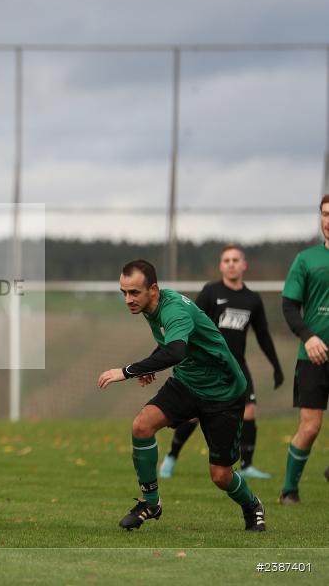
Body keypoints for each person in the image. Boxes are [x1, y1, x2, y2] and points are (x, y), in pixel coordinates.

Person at [97, 259, 265, 532]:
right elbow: (172, 342)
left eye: (134, 292)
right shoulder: (151, 306)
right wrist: (152, 364)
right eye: (123, 292)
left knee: (221, 475)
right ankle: (151, 503)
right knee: (142, 426)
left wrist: (126, 371)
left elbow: (176, 351)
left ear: (153, 289)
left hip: (222, 391)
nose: (128, 299)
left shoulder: (174, 309)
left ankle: (252, 505)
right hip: (187, 383)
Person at [159, 244, 283, 480]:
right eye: (227, 260)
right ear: (221, 266)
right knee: (195, 414)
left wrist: (276, 366)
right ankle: (172, 456)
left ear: (244, 265)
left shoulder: (252, 299)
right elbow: (188, 321)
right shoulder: (211, 292)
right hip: (209, 365)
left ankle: (247, 465)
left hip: (237, 366)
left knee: (249, 409)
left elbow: (263, 335)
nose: (231, 264)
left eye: (236, 260)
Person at [279, 194, 329, 504]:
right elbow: (289, 306)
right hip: (313, 357)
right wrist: (309, 338)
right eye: (325, 214)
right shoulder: (306, 260)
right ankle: (289, 490)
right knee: (310, 427)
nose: (328, 220)